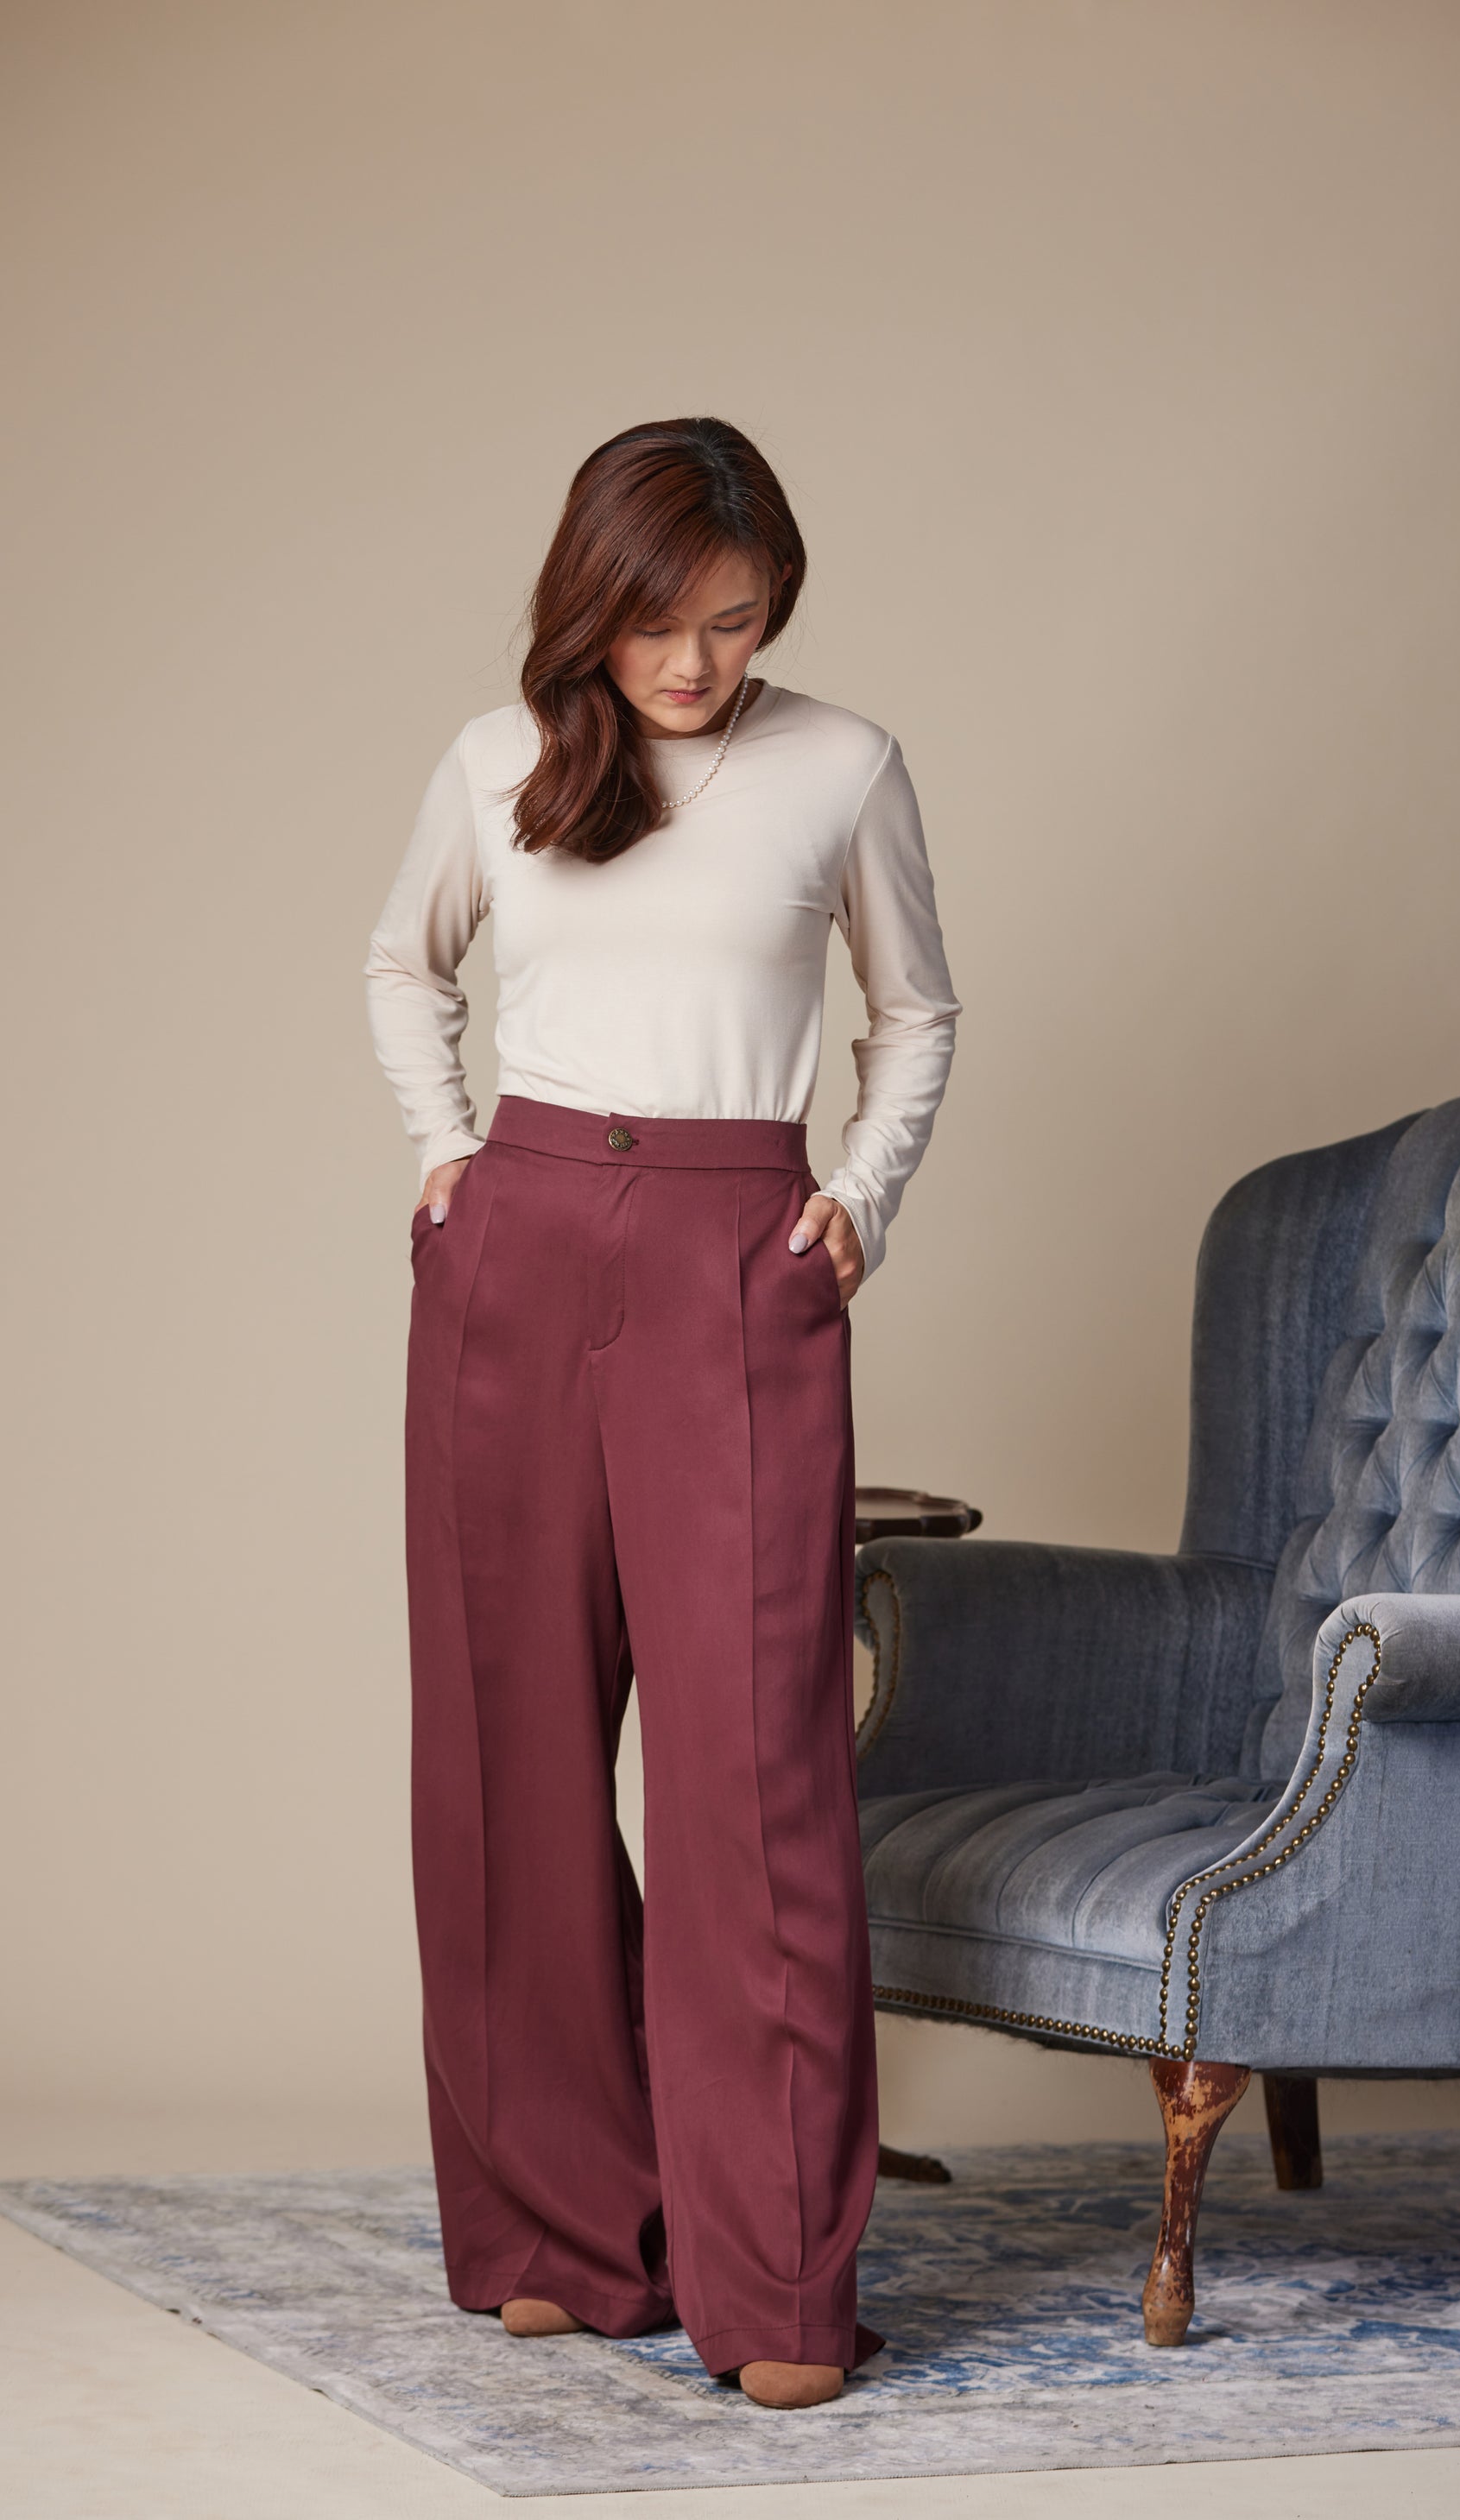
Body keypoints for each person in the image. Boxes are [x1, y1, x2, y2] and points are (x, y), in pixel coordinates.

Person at [363, 416, 959, 2409]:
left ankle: (775, 2281)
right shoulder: (495, 760)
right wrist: (448, 1154)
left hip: (734, 1251)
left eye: (733, 617)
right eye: (656, 621)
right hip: (518, 1245)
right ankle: (561, 2230)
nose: (695, 662)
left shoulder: (843, 764)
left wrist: (855, 1204)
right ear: (589, 602)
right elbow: (400, 964)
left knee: (753, 1781)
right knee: (507, 1752)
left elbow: (916, 1010)